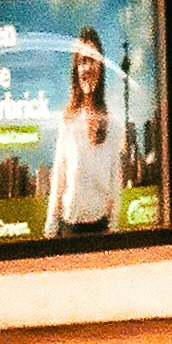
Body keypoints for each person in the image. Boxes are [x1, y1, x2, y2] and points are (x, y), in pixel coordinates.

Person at [43, 26, 122, 237]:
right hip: (69, 230)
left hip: (101, 231)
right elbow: (58, 179)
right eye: (82, 61)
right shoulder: (68, 121)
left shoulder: (112, 125)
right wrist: (50, 232)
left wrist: (113, 232)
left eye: (92, 60)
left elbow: (116, 184)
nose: (87, 68)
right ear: (76, 69)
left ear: (101, 66)